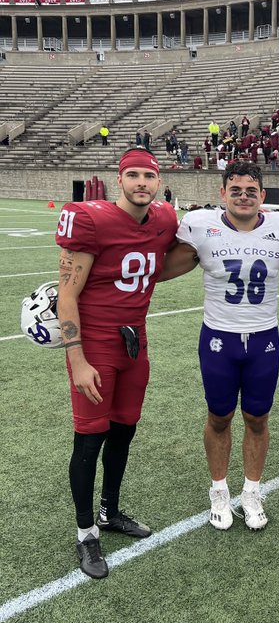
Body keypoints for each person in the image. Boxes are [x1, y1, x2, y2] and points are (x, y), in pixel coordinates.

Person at [160, 162, 279, 532]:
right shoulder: (201, 227)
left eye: (251, 190)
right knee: (219, 416)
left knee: (257, 419)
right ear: (222, 193)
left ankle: (251, 491)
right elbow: (157, 270)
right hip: (218, 339)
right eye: (236, 189)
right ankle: (219, 490)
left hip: (264, 339)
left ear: (262, 196)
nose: (243, 196)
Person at [55, 149, 179, 579]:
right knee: (90, 438)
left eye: (148, 175)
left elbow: (165, 262)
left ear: (158, 181)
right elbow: (66, 295)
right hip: (97, 347)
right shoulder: (91, 219)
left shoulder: (164, 218)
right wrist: (78, 359)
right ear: (119, 180)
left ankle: (109, 510)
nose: (141, 182)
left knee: (124, 431)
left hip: (135, 344)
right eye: (133, 175)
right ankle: (86, 531)